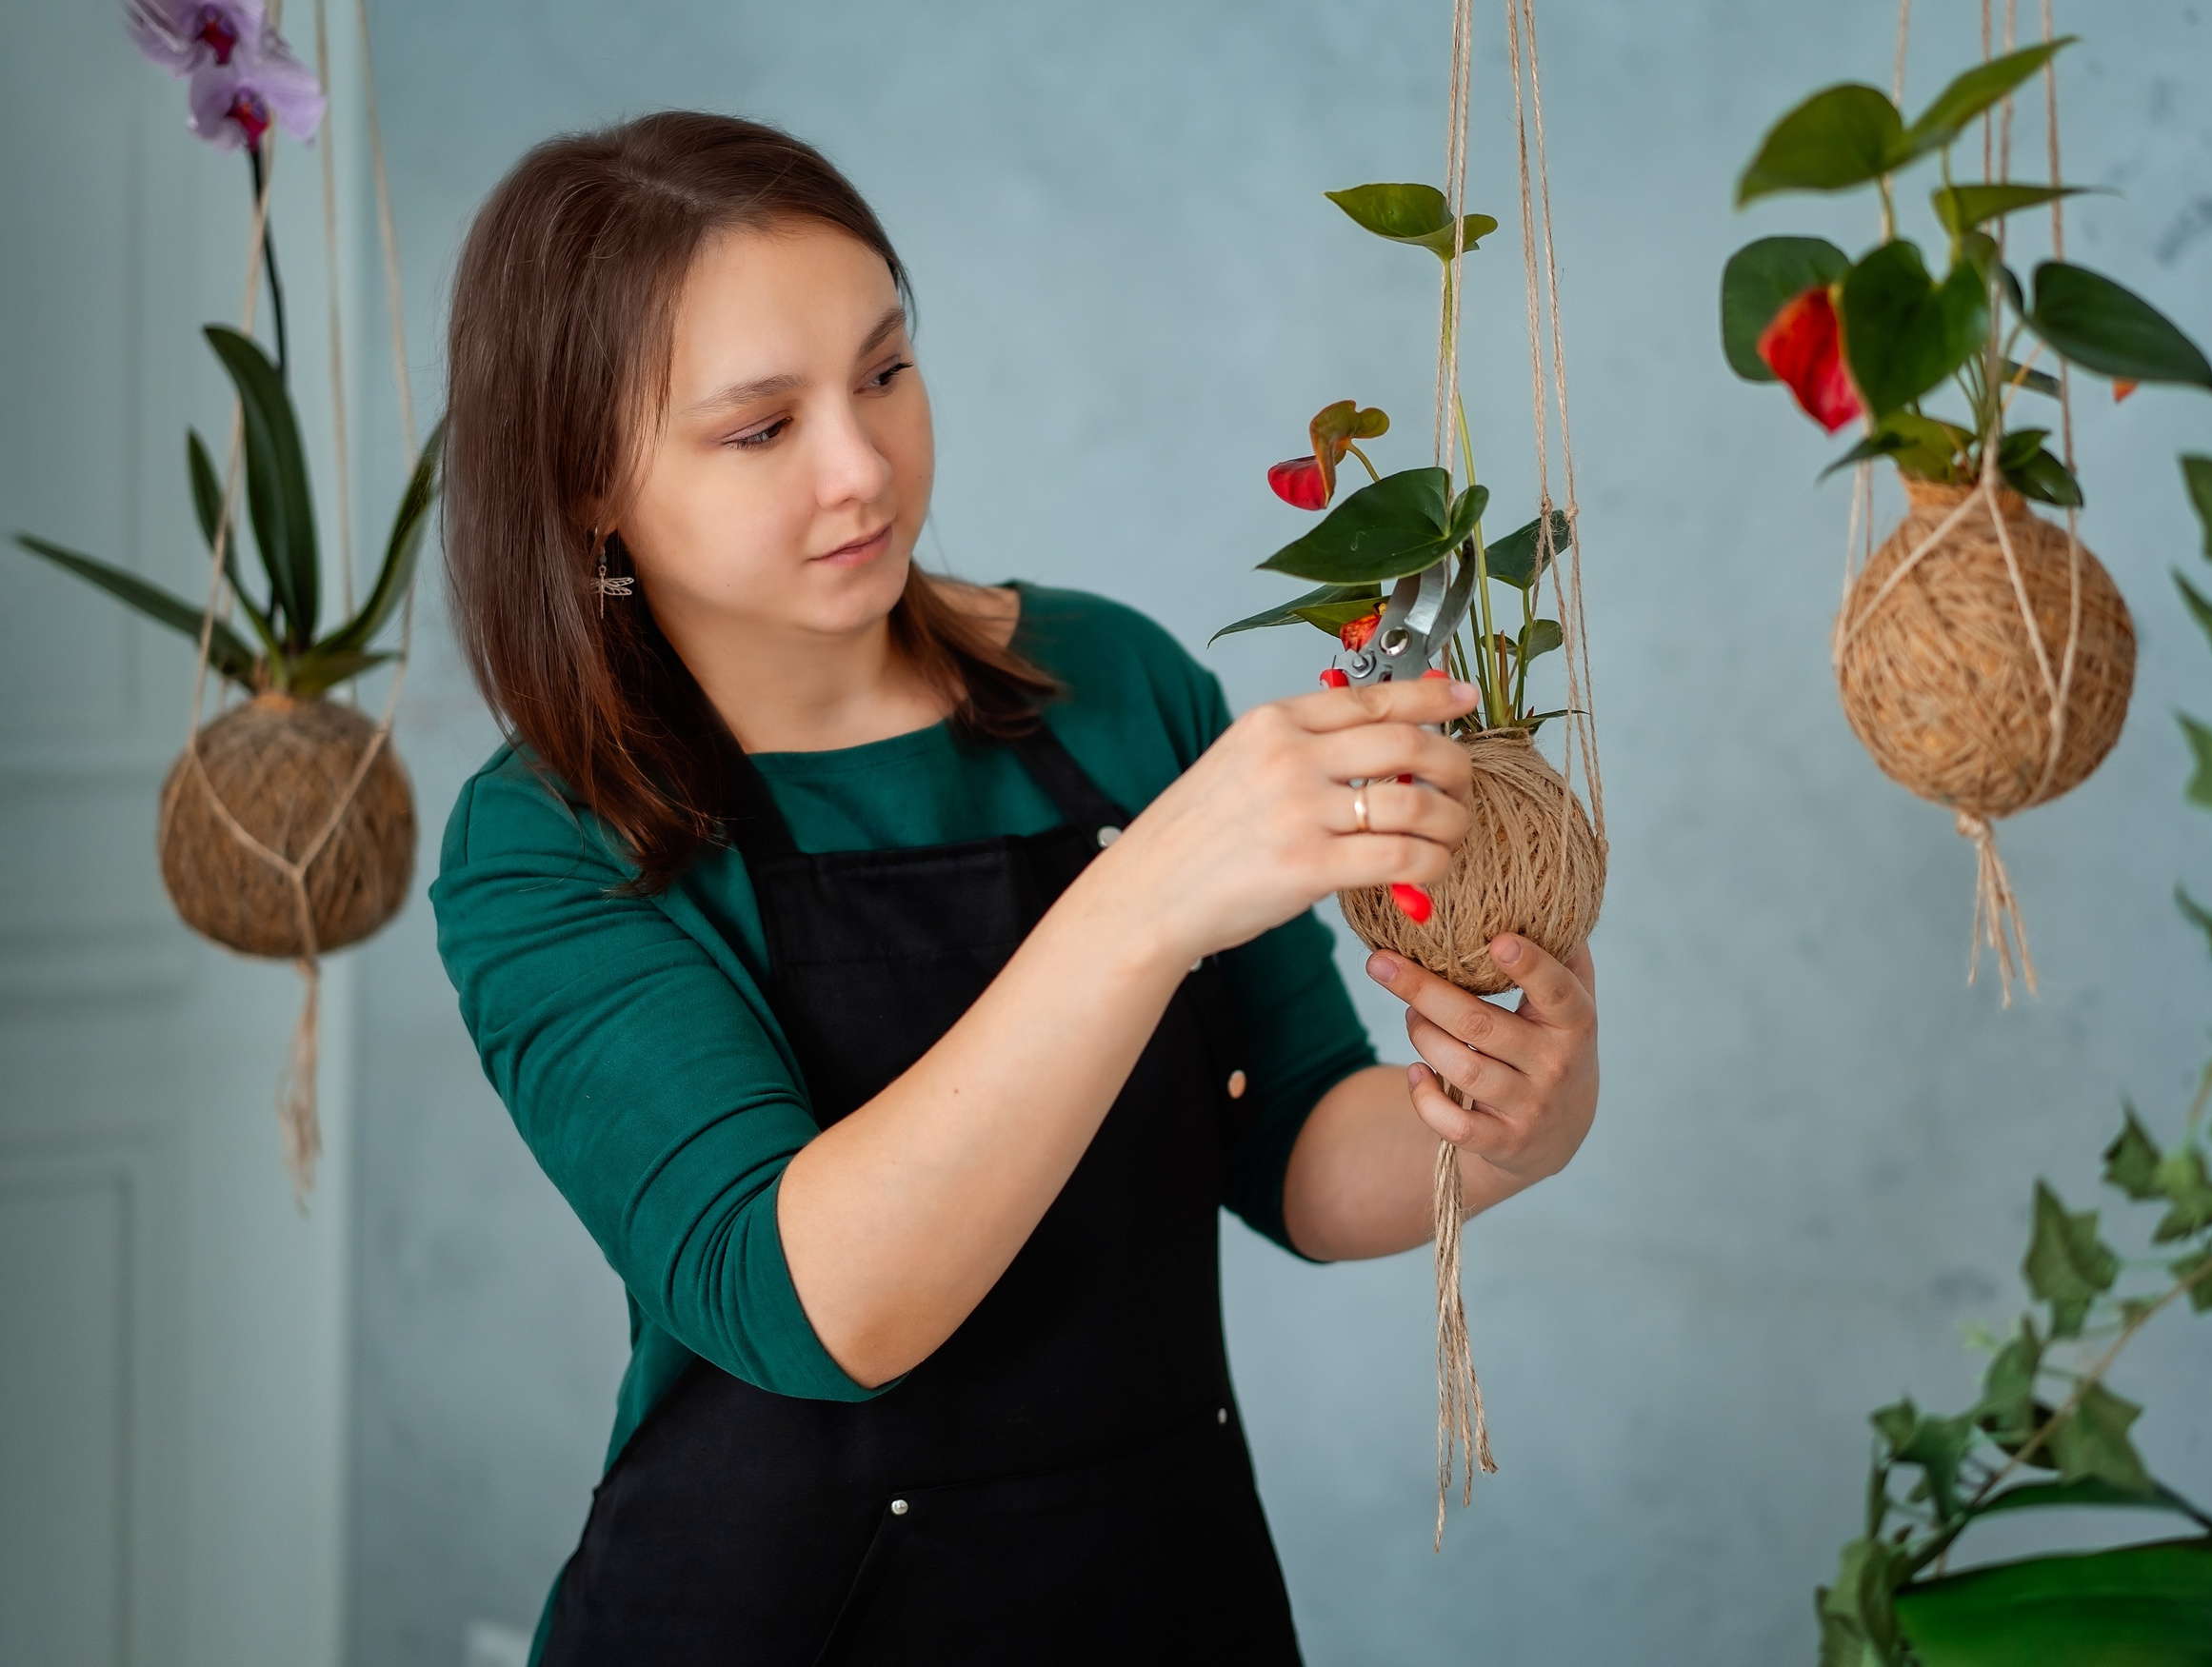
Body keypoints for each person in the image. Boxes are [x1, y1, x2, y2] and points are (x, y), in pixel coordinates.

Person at [430, 110, 1600, 1666]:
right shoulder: (551, 840)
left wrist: (1513, 1121)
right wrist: (1144, 900)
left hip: (1162, 1598)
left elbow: (1305, 1147)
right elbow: (819, 1308)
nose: (863, 466)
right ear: (587, 481)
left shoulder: (1109, 683)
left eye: (886, 371)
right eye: (760, 428)